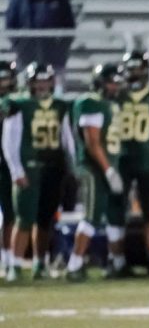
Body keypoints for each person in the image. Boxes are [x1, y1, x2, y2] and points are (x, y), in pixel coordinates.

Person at [1, 64, 73, 281]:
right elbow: (9, 140)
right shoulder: (18, 104)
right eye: (37, 81)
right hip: (29, 166)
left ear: (52, 82)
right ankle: (14, 265)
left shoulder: (61, 105)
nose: (42, 85)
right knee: (23, 218)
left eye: (45, 81)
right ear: (30, 83)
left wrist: (72, 165)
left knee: (45, 220)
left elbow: (67, 137)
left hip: (53, 167)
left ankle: (39, 263)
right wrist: (16, 170)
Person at [109, 51, 149, 276]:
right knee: (116, 213)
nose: (134, 74)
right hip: (122, 160)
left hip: (148, 161)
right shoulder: (117, 93)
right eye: (130, 69)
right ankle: (117, 261)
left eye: (137, 69)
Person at [65, 64, 126, 281]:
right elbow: (92, 143)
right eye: (111, 82)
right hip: (93, 167)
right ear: (99, 82)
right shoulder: (90, 102)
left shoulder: (109, 104)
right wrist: (109, 170)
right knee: (92, 216)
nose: (115, 87)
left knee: (111, 215)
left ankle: (117, 262)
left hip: (108, 165)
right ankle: (74, 265)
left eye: (117, 82)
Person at [5, 0, 75, 95]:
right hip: (26, 56)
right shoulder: (18, 1)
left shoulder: (60, 1)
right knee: (24, 91)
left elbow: (69, 28)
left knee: (57, 91)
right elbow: (10, 26)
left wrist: (59, 48)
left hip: (54, 58)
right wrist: (20, 46)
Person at [0, 61, 18, 276]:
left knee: (10, 214)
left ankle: (7, 260)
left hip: (9, 164)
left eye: (5, 78)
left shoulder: (17, 101)